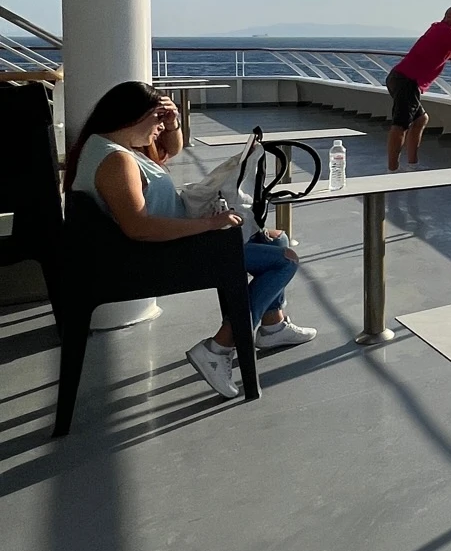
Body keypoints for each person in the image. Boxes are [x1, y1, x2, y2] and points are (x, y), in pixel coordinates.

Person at [63, 80, 316, 401]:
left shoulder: (109, 146)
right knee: (285, 260)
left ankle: (273, 326)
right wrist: (210, 224)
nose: (160, 128)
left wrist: (173, 123)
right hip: (162, 254)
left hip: (161, 244)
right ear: (131, 116)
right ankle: (219, 348)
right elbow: (138, 228)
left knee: (275, 240)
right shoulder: (116, 161)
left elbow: (170, 150)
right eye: (157, 119)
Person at [385, 7, 451, 171]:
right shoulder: (446, 31)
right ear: (449, 16)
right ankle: (392, 169)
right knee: (400, 125)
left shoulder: (439, 29)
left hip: (400, 78)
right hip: (407, 80)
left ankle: (412, 164)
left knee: (421, 119)